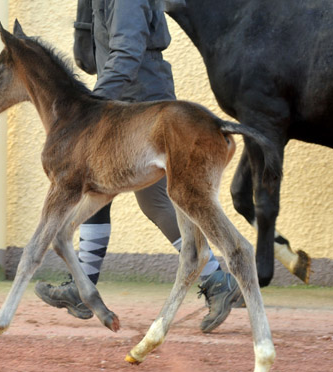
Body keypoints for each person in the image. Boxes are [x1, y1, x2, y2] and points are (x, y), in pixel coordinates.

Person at [35, 0, 242, 333]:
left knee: (158, 201)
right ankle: (82, 283)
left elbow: (128, 52)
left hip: (140, 103)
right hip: (128, 98)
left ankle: (218, 281)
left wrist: (94, 105)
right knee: (94, 183)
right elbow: (90, 58)